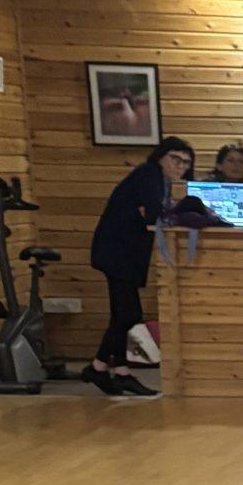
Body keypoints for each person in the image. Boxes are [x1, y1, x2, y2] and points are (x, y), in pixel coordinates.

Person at [85, 134, 190, 397]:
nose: (179, 166)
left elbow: (153, 214)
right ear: (160, 157)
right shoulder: (149, 175)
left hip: (124, 252)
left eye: (185, 162)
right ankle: (98, 367)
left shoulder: (159, 180)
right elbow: (154, 214)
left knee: (123, 314)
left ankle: (118, 371)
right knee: (128, 315)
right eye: (175, 159)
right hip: (118, 251)